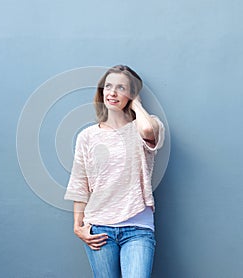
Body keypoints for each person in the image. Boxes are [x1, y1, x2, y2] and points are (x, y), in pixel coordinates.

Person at [64, 65, 165, 278]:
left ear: (131, 94)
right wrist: (77, 226)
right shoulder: (87, 136)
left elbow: (147, 131)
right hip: (99, 227)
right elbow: (79, 183)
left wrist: (136, 104)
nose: (112, 92)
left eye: (121, 88)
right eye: (108, 86)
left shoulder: (147, 125)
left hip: (138, 228)